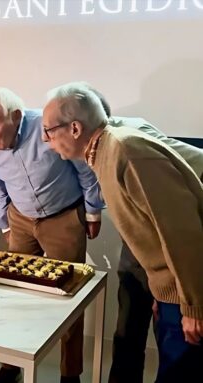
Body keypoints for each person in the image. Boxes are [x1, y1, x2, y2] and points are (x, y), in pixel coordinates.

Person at [42, 82, 203, 383]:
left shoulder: (125, 150)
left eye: (49, 131)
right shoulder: (103, 152)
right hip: (172, 288)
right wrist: (159, 290)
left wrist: (193, 305)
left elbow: (182, 232)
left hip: (191, 290)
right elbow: (150, 231)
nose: (45, 140)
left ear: (75, 128)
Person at [0, 87, 105, 383]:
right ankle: (11, 365)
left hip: (63, 218)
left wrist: (93, 211)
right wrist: (6, 224)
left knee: (67, 295)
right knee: (15, 292)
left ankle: (69, 374)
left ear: (16, 117)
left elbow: (85, 169)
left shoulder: (47, 126)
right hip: (20, 220)